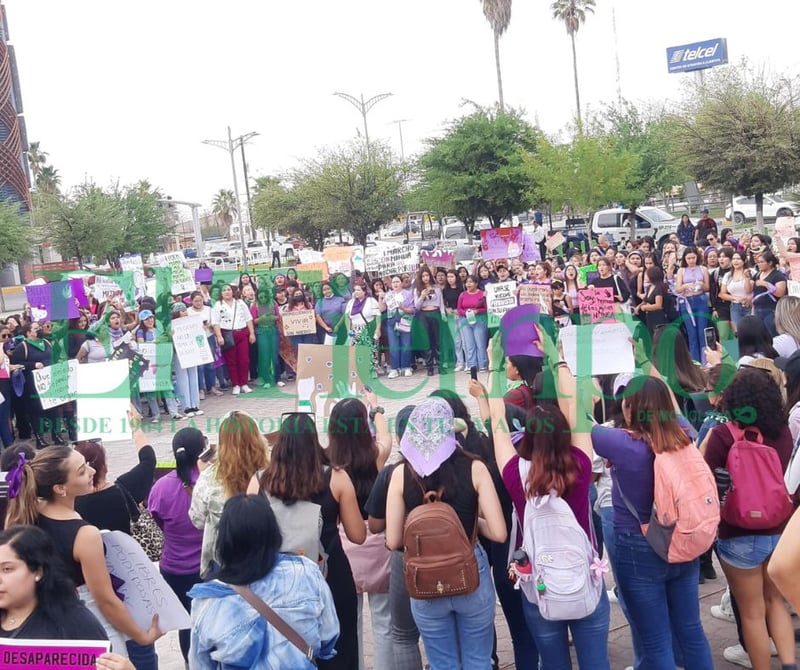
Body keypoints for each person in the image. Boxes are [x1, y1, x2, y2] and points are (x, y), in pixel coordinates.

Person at [486, 329, 610, 669]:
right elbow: (575, 407)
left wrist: (493, 366)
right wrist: (557, 357)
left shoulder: (515, 475)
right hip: (585, 582)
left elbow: (497, 421)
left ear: (526, 437)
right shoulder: (581, 467)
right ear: (565, 435)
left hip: (538, 588)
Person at [592, 349, 714, 669]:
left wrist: (563, 364)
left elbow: (577, 422)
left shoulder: (622, 444)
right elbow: (669, 402)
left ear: (630, 408)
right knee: (691, 631)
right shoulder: (684, 434)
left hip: (639, 545)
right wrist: (645, 360)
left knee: (656, 642)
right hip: (682, 540)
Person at [4, 445, 162, 658]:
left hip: (44, 623)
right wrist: (141, 637)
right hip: (90, 622)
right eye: (81, 470)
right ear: (60, 488)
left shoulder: (27, 515)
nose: (92, 471)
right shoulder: (85, 534)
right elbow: (105, 600)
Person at [385, 397, 507, 670]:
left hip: (425, 581)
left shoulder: (400, 473)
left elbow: (393, 540)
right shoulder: (475, 468)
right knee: (478, 660)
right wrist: (470, 524)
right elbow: (499, 533)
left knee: (441, 664)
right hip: (470, 573)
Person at [249, 412, 366, 670]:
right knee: (340, 650)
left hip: (277, 583)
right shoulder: (335, 478)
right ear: (315, 441)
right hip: (330, 578)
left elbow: (251, 538)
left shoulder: (258, 481)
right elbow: (358, 535)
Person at [704, 367, 796, 670]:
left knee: (752, 612)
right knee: (775, 602)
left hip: (737, 532)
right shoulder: (782, 433)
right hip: (778, 529)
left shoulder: (721, 435)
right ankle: (789, 663)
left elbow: (706, 479)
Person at [188, 494, 339, 670]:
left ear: (224, 539)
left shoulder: (208, 601)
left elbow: (200, 664)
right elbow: (329, 636)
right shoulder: (306, 572)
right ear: (273, 532)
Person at [328, 395, 393, 670]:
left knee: (348, 621)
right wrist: (375, 406)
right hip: (378, 542)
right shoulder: (377, 453)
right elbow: (386, 432)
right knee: (385, 621)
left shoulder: (330, 464)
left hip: (346, 546)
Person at [148, 427, 207, 664]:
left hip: (173, 569)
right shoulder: (209, 483)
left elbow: (157, 519)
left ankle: (189, 663)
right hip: (205, 569)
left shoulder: (160, 487)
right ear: (204, 452)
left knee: (187, 623)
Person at [190, 411, 269, 578]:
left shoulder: (208, 478)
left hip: (223, 561)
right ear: (257, 438)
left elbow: (197, 519)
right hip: (266, 556)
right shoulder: (273, 472)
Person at [211, 284, 256, 395]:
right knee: (231, 361)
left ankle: (244, 383)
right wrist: (219, 336)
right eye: (224, 290)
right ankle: (236, 384)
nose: (227, 292)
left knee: (244, 360)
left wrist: (252, 333)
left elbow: (248, 319)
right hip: (227, 335)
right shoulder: (218, 305)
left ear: (232, 291)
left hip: (241, 332)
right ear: (221, 293)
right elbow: (215, 322)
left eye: (229, 289)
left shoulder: (240, 303)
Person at [676, 247, 711, 364]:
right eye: (688, 258)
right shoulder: (681, 270)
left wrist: (701, 284)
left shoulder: (703, 269)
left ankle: (705, 361)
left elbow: (707, 288)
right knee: (692, 334)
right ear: (685, 259)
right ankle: (695, 363)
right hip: (687, 302)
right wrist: (686, 286)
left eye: (693, 258)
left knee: (702, 333)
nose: (691, 260)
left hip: (700, 299)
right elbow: (678, 289)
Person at [413, 267, 447, 376]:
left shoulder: (436, 288)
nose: (425, 278)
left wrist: (442, 314)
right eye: (423, 276)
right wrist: (422, 296)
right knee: (426, 341)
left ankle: (441, 365)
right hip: (424, 315)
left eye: (427, 275)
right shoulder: (417, 290)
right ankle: (429, 367)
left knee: (438, 341)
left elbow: (440, 302)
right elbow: (416, 306)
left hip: (435, 313)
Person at [344, 283, 382, 378]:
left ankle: (372, 369)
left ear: (364, 291)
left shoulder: (371, 301)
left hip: (368, 328)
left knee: (371, 349)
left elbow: (378, 315)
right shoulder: (351, 303)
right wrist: (348, 329)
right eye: (355, 290)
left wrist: (378, 328)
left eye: (358, 290)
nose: (356, 292)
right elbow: (346, 317)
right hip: (355, 329)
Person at [383, 275, 416, 378]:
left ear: (401, 283)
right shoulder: (388, 295)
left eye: (397, 281)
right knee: (393, 345)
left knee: (406, 344)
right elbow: (381, 308)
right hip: (392, 321)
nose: (395, 284)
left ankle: (406, 367)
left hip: (405, 320)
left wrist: (403, 308)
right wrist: (380, 298)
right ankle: (394, 368)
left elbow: (413, 310)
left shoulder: (408, 294)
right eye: (393, 282)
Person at [751, 250, 786, 338]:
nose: (759, 264)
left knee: (773, 336)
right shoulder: (757, 275)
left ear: (770, 263)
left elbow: (780, 293)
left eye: (762, 262)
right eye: (758, 262)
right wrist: (753, 311)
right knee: (761, 337)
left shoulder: (778, 275)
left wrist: (766, 284)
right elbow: (754, 294)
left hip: (771, 310)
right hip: (758, 310)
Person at [457, 275, 489, 371]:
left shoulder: (482, 294)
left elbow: (486, 308)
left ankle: (482, 364)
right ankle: (472, 365)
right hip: (465, 320)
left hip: (479, 320)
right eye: (467, 282)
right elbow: (459, 309)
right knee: (469, 344)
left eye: (471, 282)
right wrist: (465, 313)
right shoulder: (462, 295)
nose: (468, 284)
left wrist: (477, 311)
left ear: (476, 283)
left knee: (480, 343)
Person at [315, 281, 346, 345]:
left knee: (341, 350)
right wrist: (326, 327)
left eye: (328, 289)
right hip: (325, 331)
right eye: (324, 290)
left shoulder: (340, 299)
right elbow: (318, 316)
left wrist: (338, 326)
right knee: (328, 351)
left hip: (341, 329)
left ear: (332, 289)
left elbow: (344, 314)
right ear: (322, 292)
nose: (327, 291)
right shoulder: (319, 302)